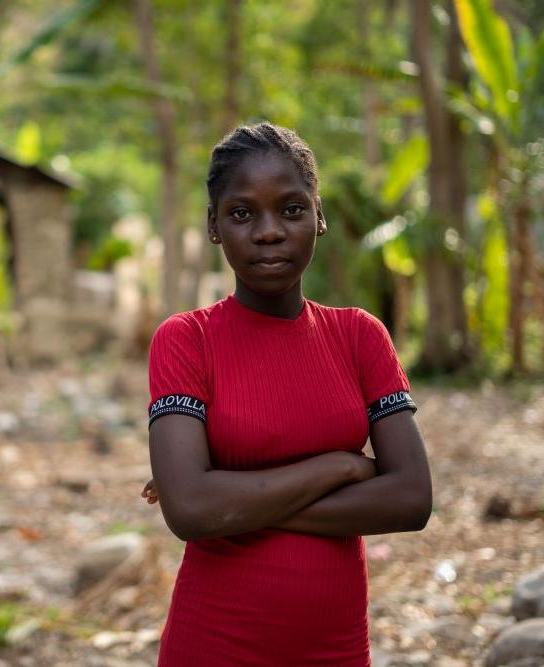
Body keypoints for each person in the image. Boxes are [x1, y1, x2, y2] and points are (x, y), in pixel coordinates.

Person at [141, 122, 432, 666]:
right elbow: (190, 512)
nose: (269, 231)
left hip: (336, 649)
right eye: (242, 212)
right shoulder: (187, 340)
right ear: (214, 225)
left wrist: (231, 498)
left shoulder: (359, 336)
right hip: (214, 645)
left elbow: (412, 499)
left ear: (319, 217)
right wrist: (342, 466)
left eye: (292, 209)